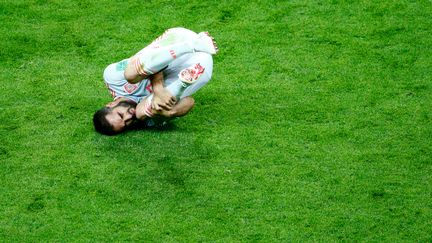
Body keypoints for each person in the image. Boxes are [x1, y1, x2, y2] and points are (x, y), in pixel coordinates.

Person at [93, 27, 218, 135]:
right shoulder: (144, 119)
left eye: (121, 115)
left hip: (178, 42)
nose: (128, 116)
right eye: (126, 123)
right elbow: (189, 102)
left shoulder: (112, 80)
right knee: (145, 111)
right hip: (201, 66)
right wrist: (169, 113)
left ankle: (194, 45)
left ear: (110, 105)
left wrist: (158, 90)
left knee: (130, 75)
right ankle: (182, 84)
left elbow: (147, 58)